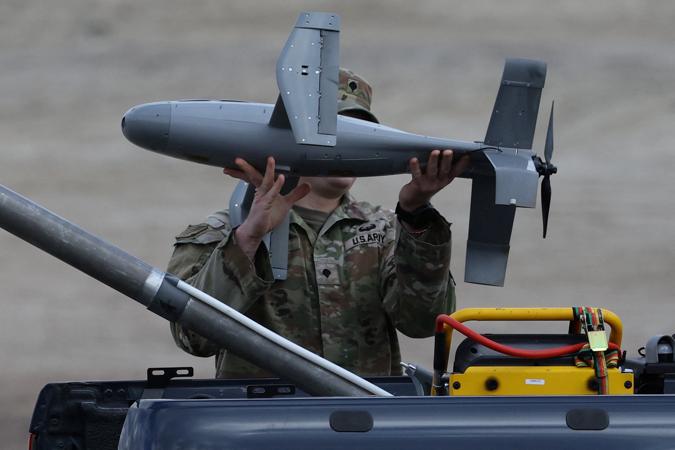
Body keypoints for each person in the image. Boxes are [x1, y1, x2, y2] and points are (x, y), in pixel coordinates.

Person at [168, 68, 468, 378]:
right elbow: (193, 337)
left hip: (364, 407)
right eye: (336, 129)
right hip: (263, 409)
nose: (349, 144)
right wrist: (248, 240)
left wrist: (416, 213)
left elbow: (422, 322)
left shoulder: (386, 230)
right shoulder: (224, 230)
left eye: (359, 132)